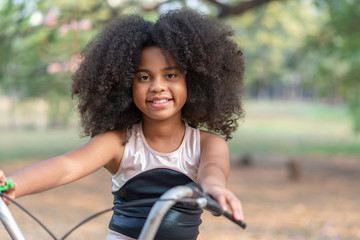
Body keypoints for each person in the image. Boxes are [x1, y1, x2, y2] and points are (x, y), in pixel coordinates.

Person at [0, 9, 245, 240]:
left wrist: (214, 189)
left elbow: (212, 171)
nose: (158, 86)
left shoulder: (208, 144)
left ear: (194, 82)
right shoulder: (118, 143)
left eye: (171, 75)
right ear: (125, 85)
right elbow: (66, 166)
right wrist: (14, 185)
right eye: (144, 77)